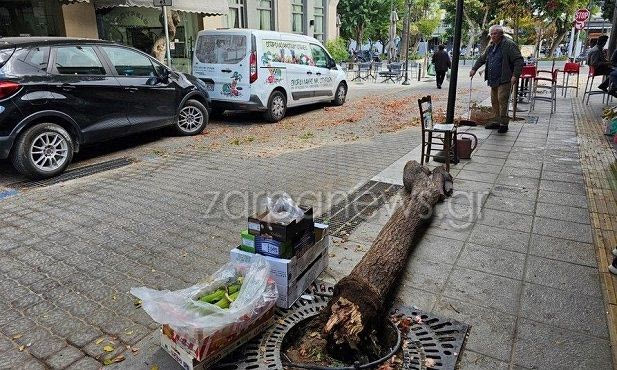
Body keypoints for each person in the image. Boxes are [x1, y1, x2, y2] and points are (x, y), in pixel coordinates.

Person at [469, 25, 523, 134]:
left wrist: (515, 75)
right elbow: (482, 58)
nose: (493, 36)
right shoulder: (491, 46)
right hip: (493, 79)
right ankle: (497, 121)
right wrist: (474, 69)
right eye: (491, 34)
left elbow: (519, 60)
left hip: (505, 78)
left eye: (495, 34)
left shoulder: (509, 45)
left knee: (502, 100)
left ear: (501, 34)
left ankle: (504, 124)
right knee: (494, 101)